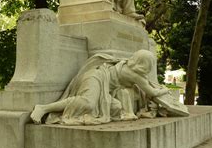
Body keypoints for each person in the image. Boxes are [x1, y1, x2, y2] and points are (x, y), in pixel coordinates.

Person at [31, 50, 170, 125]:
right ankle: (43, 108)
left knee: (115, 108)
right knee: (88, 103)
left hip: (104, 86)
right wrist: (166, 90)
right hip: (96, 77)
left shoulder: (129, 66)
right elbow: (153, 92)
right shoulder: (135, 75)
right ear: (146, 64)